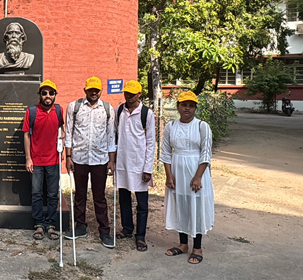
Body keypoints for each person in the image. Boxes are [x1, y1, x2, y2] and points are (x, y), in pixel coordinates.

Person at [161, 91, 214, 264]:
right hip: (177, 171)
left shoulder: (201, 126)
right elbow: (166, 153)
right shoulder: (171, 127)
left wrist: (198, 176)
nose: (187, 108)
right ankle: (183, 244)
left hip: (196, 171)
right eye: (184, 105)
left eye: (191, 106)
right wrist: (169, 176)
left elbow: (206, 153)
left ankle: (197, 247)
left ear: (195, 108)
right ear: (178, 106)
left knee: (196, 206)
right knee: (181, 205)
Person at [64, 77, 116, 248]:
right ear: (85, 90)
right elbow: (69, 133)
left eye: (97, 90)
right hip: (79, 158)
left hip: (100, 159)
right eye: (90, 90)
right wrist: (69, 157)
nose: (94, 93)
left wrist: (111, 160)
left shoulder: (108, 109)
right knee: (79, 194)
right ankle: (80, 226)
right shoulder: (74, 107)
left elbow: (110, 136)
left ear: (101, 91)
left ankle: (104, 231)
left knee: (99, 196)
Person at [112, 80, 155, 252]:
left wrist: (148, 168)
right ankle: (127, 228)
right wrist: (113, 160)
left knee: (142, 203)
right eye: (126, 93)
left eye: (132, 94)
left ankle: (141, 236)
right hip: (122, 162)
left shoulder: (146, 113)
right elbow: (114, 135)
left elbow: (151, 142)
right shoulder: (119, 111)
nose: (128, 96)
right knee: (124, 199)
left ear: (139, 94)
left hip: (139, 164)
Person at [23, 79, 65, 240]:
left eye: (51, 93)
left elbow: (61, 128)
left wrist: (62, 136)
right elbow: (26, 135)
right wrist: (28, 158)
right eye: (44, 93)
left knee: (53, 194)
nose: (48, 96)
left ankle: (51, 224)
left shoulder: (59, 111)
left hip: (54, 160)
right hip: (36, 161)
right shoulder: (32, 112)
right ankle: (39, 224)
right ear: (40, 95)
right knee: (37, 194)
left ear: (55, 95)